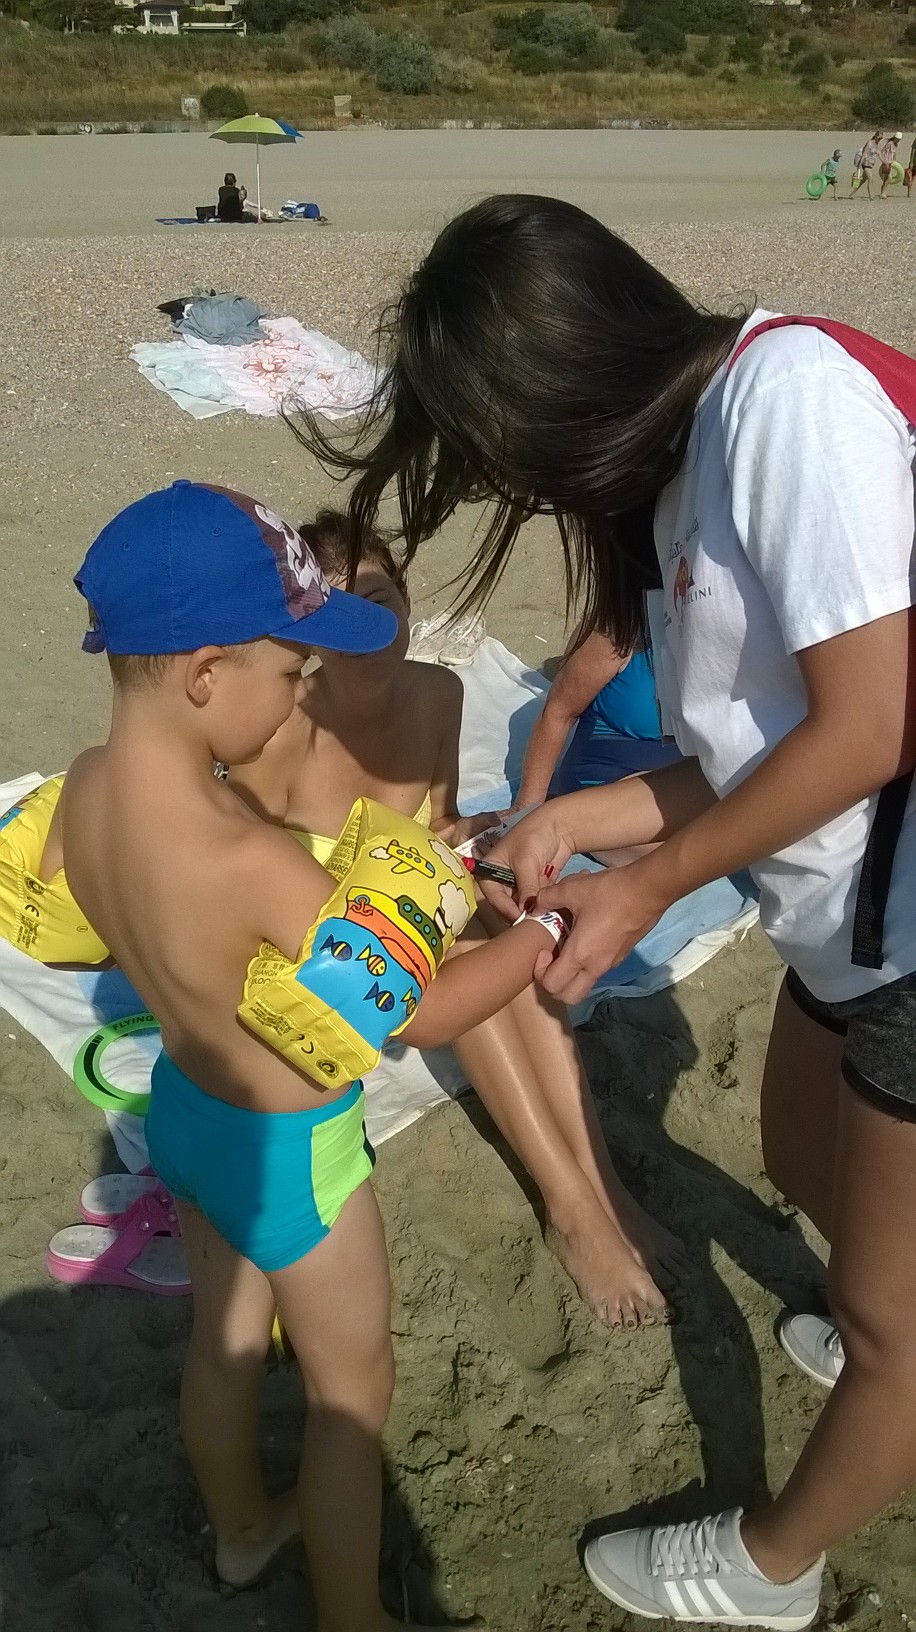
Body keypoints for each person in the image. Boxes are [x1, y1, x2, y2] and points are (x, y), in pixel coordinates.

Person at [293, 195, 916, 1628]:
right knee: (798, 1157)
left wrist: (648, 883)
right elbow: (761, 748)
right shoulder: (683, 480)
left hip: (911, 925)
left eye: (505, 457)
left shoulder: (785, 400)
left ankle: (773, 1568)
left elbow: (873, 721)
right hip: (845, 915)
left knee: (894, 1330)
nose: (523, 492)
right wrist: (578, 823)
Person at [54, 479, 576, 1632]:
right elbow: (421, 1014)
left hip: (186, 1114)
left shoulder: (83, 791)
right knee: (352, 1395)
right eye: (292, 670)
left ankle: (243, 1533)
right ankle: (354, 1617)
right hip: (294, 1159)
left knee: (227, 1342)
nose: (305, 690)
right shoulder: (251, 860)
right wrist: (540, 934)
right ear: (205, 674)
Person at [229, 510, 683, 1329]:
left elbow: (435, 825)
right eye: (339, 612)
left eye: (381, 601)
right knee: (464, 952)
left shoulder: (440, 693)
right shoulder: (286, 732)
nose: (367, 629)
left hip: (411, 896)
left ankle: (605, 1188)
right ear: (308, 630)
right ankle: (572, 1207)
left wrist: (475, 838)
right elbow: (243, 862)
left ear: (406, 600)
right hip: (327, 931)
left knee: (506, 936)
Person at [515, 623, 680, 811]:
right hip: (606, 776)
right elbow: (558, 712)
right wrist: (526, 807)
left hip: (680, 780)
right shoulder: (617, 630)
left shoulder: (703, 638)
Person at [857, 130, 883, 197]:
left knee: (863, 180)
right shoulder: (870, 143)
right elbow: (864, 154)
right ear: (876, 136)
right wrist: (859, 164)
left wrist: (885, 162)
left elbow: (880, 155)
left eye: (881, 138)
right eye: (879, 138)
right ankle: (870, 196)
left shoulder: (878, 145)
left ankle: (852, 194)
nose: (880, 139)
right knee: (870, 179)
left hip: (871, 165)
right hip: (865, 164)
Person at [879, 131, 903, 197]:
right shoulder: (890, 143)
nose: (898, 141)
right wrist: (883, 160)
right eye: (897, 139)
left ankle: (882, 193)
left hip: (891, 162)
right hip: (886, 162)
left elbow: (894, 153)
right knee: (889, 178)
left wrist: (894, 161)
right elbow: (882, 151)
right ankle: (883, 193)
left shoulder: (896, 145)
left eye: (899, 140)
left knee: (886, 179)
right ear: (894, 138)